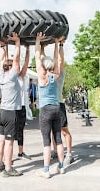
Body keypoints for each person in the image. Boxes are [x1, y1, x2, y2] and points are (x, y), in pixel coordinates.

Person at [35, 32, 65, 178]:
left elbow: (36, 57)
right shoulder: (56, 75)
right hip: (56, 108)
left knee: (46, 141)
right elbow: (57, 61)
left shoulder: (42, 76)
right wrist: (56, 43)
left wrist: (37, 41)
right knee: (58, 138)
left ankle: (46, 170)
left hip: (46, 110)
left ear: (43, 66)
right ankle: (61, 166)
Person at [0, 32, 23, 177]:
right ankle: (8, 169)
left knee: (1, 139)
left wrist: (3, 47)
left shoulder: (1, 76)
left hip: (2, 113)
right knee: (9, 142)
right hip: (11, 113)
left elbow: (1, 61)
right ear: (10, 67)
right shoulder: (12, 76)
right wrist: (17, 42)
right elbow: (17, 58)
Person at [51, 39, 74, 166]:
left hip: (59, 105)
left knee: (64, 130)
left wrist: (59, 44)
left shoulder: (60, 75)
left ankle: (69, 154)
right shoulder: (48, 76)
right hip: (50, 106)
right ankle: (55, 151)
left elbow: (59, 60)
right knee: (53, 131)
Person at [17, 45, 31, 160]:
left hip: (15, 107)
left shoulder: (7, 76)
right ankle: (19, 153)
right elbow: (25, 64)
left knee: (14, 132)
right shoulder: (19, 76)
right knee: (18, 131)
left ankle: (19, 153)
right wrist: (27, 49)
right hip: (18, 107)